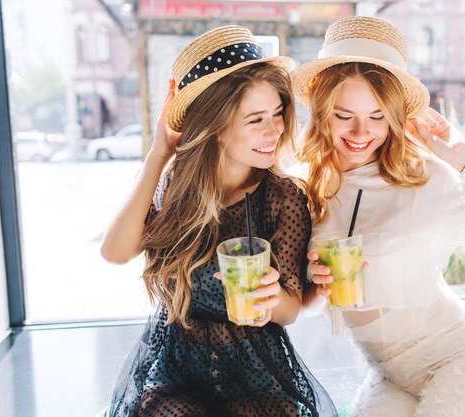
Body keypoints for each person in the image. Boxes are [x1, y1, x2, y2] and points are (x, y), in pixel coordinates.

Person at [293, 16, 465, 417]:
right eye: (343, 114)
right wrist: (315, 285)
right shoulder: (308, 185)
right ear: (321, 109)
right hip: (389, 374)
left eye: (377, 116)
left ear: (395, 115)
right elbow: (307, 305)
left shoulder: (425, 179)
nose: (360, 131)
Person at [101, 25, 336, 417]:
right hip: (179, 369)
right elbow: (115, 252)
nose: (274, 129)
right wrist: (159, 154)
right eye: (255, 119)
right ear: (215, 126)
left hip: (256, 369)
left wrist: (269, 299)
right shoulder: (177, 184)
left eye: (277, 113)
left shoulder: (283, 197)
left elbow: (291, 308)